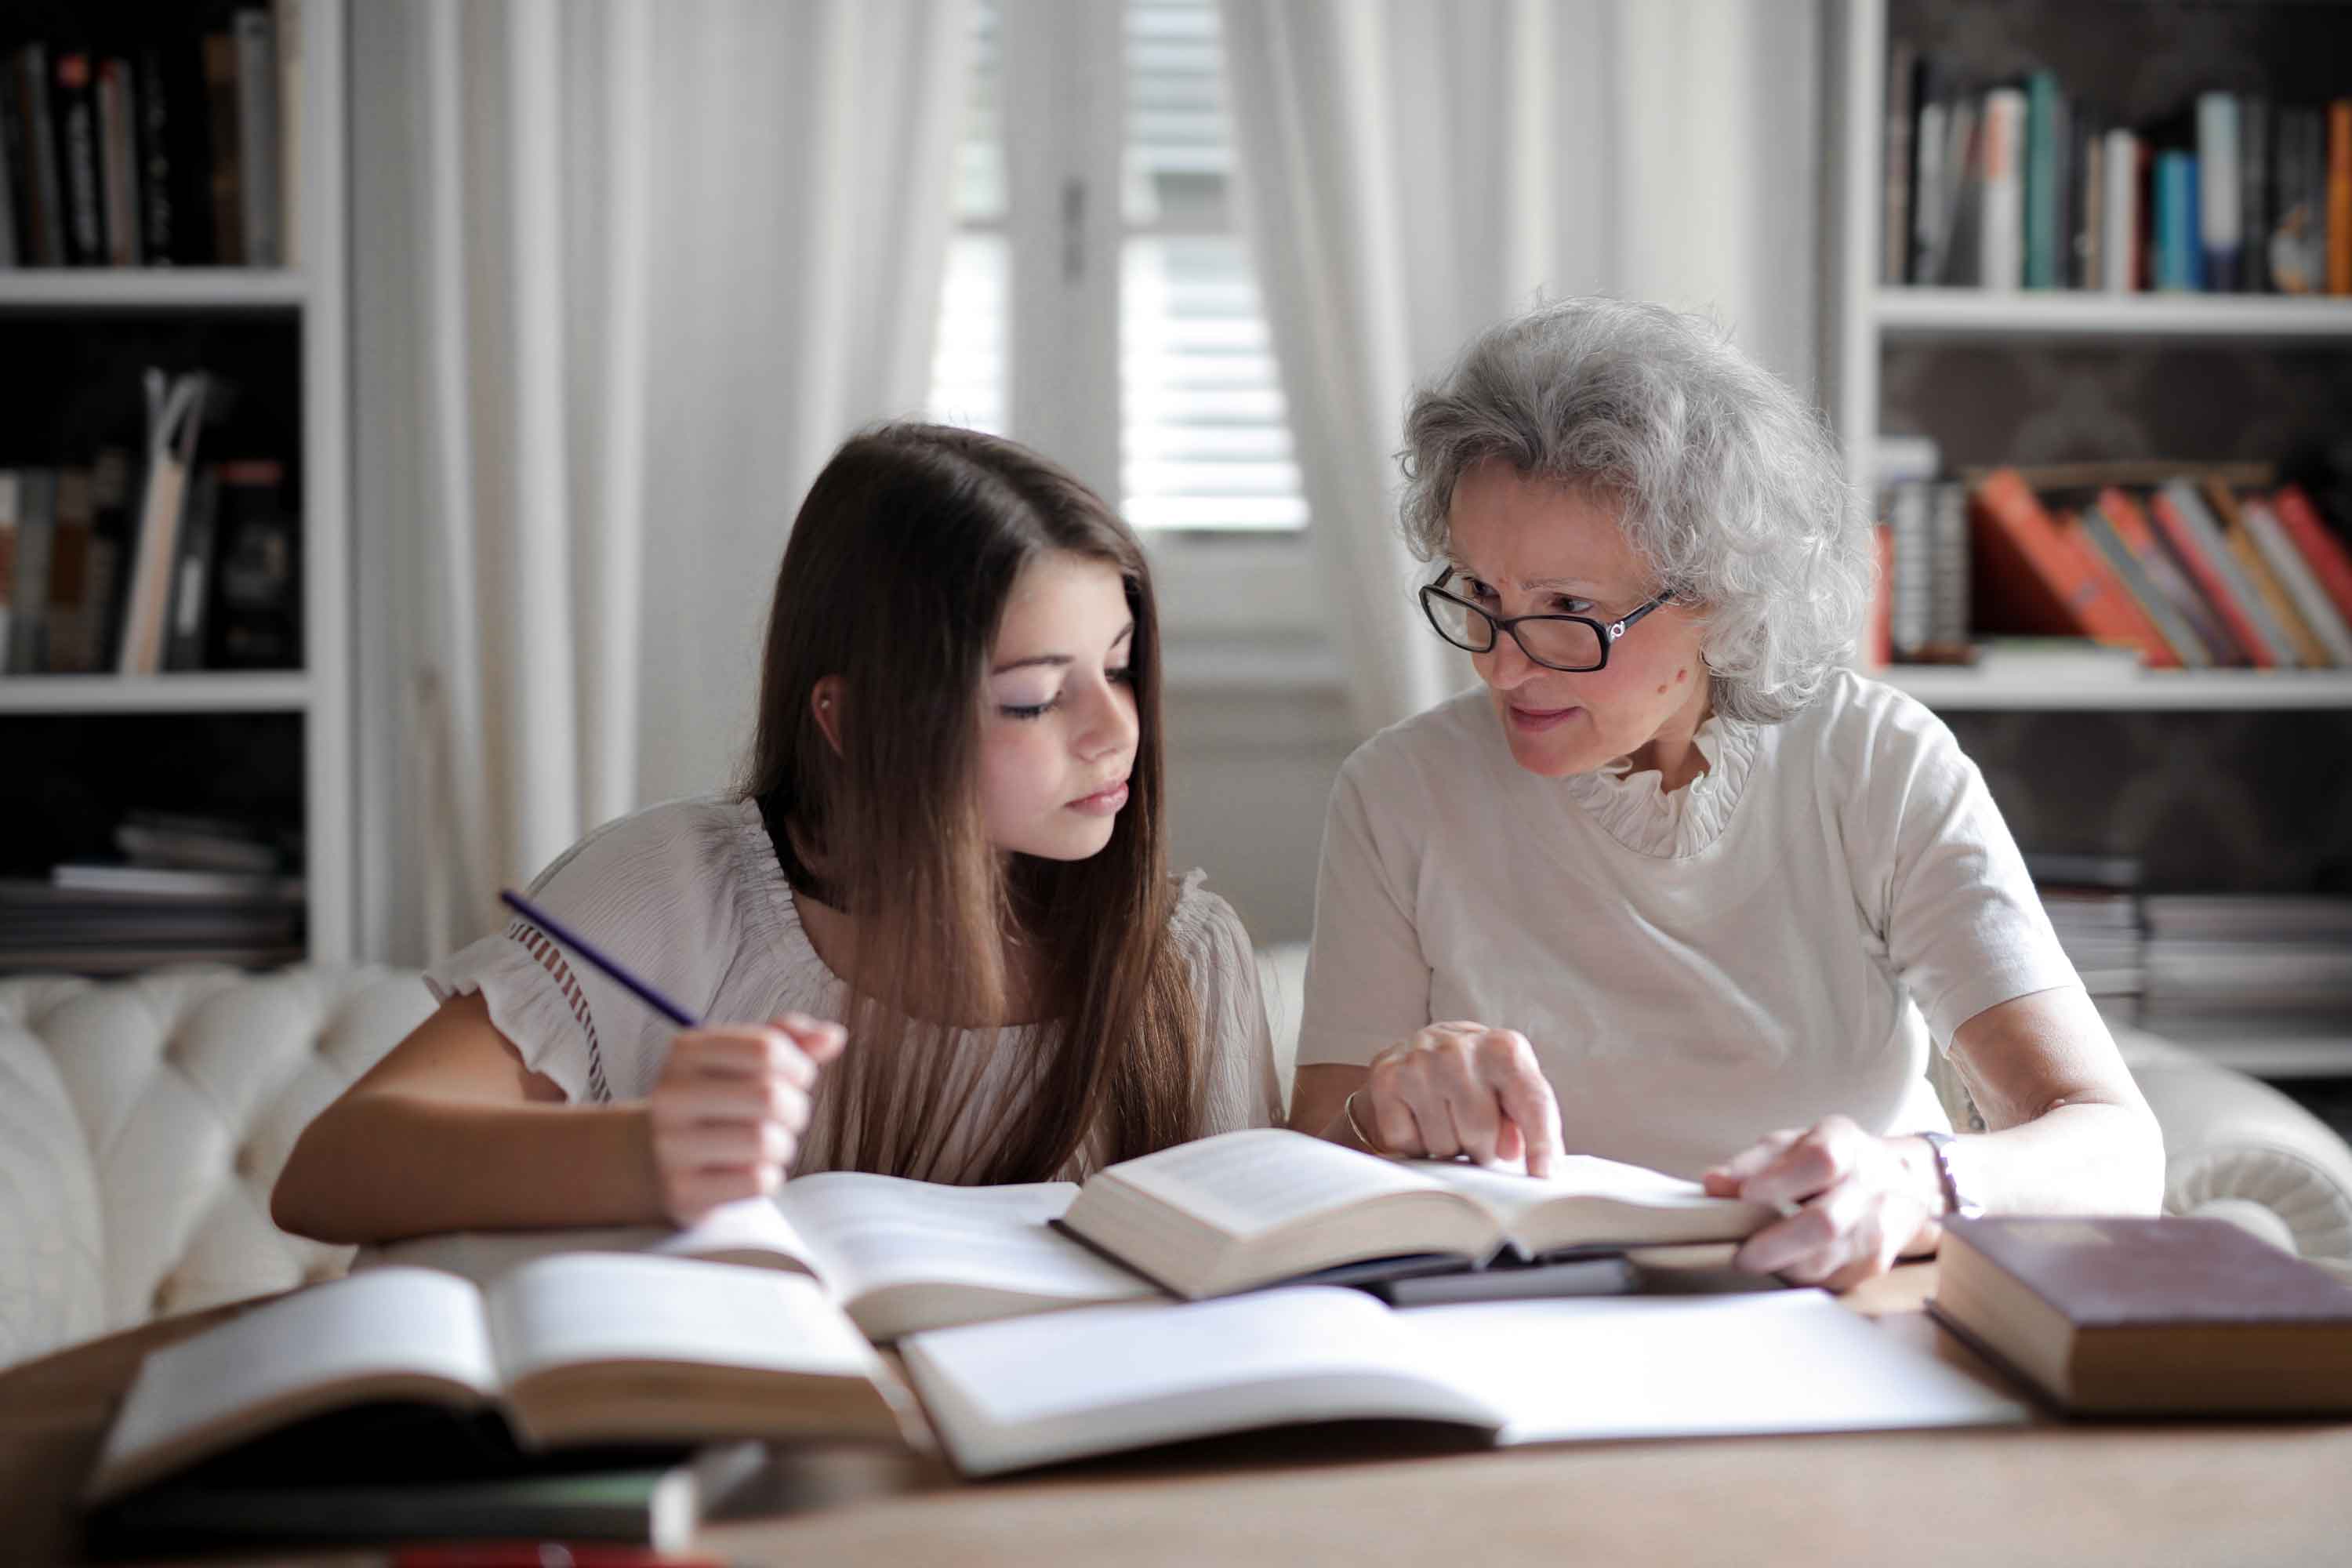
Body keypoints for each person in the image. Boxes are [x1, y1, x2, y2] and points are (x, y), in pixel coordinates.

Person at [1288, 298, 2162, 1288]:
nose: (1502, 667)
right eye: (1482, 596)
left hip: (1847, 1309)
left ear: (1718, 596)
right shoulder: (1399, 792)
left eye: (1569, 611)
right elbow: (1303, 1175)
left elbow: (2115, 1145)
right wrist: (1383, 1110)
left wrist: (1914, 1181)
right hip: (1529, 1325)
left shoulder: (1874, 765)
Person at [274, 423, 1279, 1243]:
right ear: (852, 721)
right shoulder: (676, 893)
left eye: (1118, 663)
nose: (1115, 730)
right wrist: (641, 1151)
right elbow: (333, 1170)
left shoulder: (1184, 960)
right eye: (1032, 697)